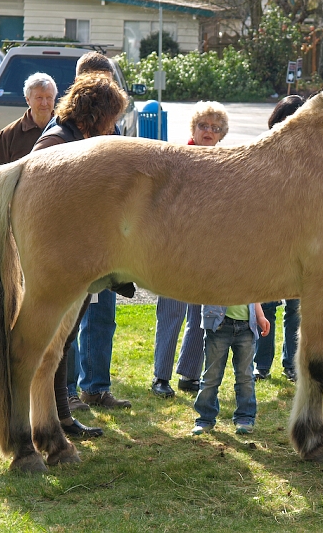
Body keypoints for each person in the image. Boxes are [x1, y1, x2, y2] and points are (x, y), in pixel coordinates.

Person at [32, 72, 129, 438]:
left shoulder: (76, 139)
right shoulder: (58, 144)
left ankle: (61, 418)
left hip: (81, 258)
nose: (114, 128)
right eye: (112, 119)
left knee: (65, 341)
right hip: (62, 259)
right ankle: (48, 419)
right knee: (53, 342)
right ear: (96, 115)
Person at [56, 52, 133, 412]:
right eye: (98, 82)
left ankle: (96, 388)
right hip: (74, 248)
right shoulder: (59, 137)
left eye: (109, 80)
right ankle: (66, 393)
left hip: (105, 246)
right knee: (67, 323)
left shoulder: (111, 128)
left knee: (101, 319)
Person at [151, 101, 230, 397]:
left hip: (208, 251)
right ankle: (161, 376)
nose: (208, 132)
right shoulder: (177, 159)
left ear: (221, 134)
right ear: (193, 129)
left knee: (201, 316)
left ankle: (189, 374)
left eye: (215, 128)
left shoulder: (226, 163)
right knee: (171, 313)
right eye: (203, 126)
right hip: (174, 249)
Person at [253, 95, 305, 382]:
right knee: (268, 307)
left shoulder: (314, 157)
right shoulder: (263, 150)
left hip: (298, 243)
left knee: (295, 310)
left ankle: (292, 366)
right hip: (270, 243)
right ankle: (261, 365)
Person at [191, 303, 270, 435]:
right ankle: (205, 419)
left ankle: (245, 418)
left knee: (245, 377)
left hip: (246, 327)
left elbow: (253, 295)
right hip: (218, 327)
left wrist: (260, 316)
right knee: (211, 376)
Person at [0, 72, 57, 173]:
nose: (44, 103)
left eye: (49, 97)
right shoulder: (8, 135)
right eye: (39, 98)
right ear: (28, 100)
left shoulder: (66, 130)